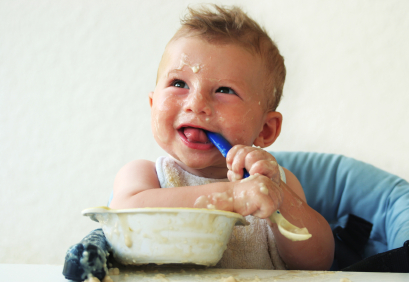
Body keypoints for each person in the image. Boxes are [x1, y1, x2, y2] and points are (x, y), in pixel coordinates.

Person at [63, 4, 334, 281]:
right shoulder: (146, 176)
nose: (196, 104)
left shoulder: (274, 184)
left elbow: (320, 261)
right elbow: (127, 213)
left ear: (265, 129)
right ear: (153, 104)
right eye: (179, 83)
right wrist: (232, 198)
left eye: (224, 90)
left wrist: (279, 196)